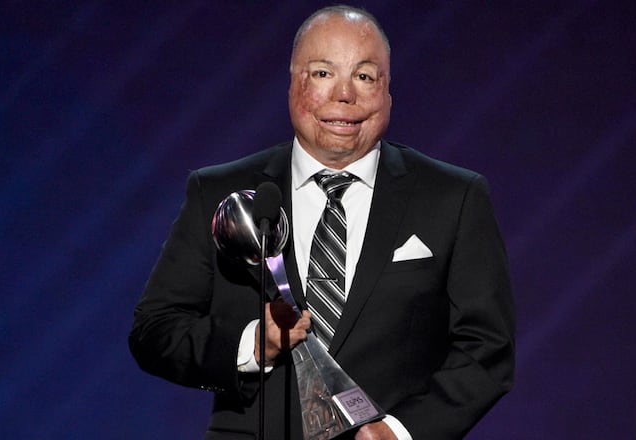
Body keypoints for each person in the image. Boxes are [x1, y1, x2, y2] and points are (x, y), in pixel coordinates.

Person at [129, 5, 514, 439]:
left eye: (365, 76)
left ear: (388, 92)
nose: (344, 95)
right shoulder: (218, 192)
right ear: (294, 84)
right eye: (323, 74)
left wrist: (403, 431)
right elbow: (154, 333)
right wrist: (253, 346)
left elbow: (487, 349)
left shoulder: (453, 197)